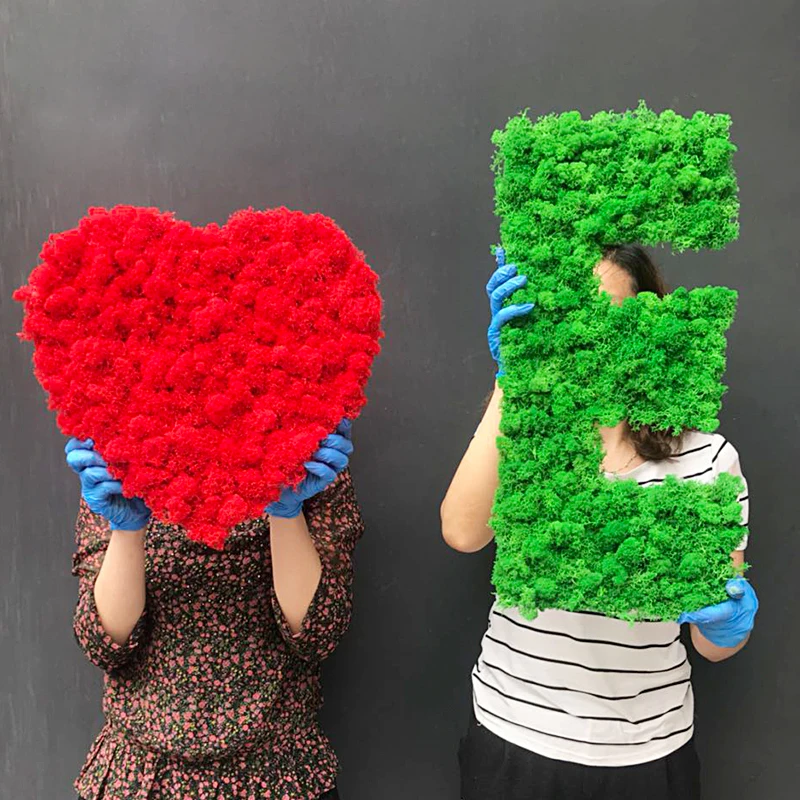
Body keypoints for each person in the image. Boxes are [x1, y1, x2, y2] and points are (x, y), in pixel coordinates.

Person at [441, 245, 758, 800]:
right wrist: (513, 380)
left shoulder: (707, 458)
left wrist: (727, 621)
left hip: (649, 750)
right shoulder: (528, 434)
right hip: (514, 735)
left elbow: (713, 647)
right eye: (567, 315)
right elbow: (463, 533)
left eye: (604, 313)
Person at [66, 420, 362, 800]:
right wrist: (126, 530)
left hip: (277, 775)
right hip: (141, 779)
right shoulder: (121, 441)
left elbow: (318, 633)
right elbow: (104, 645)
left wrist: (286, 513)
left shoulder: (305, 443)